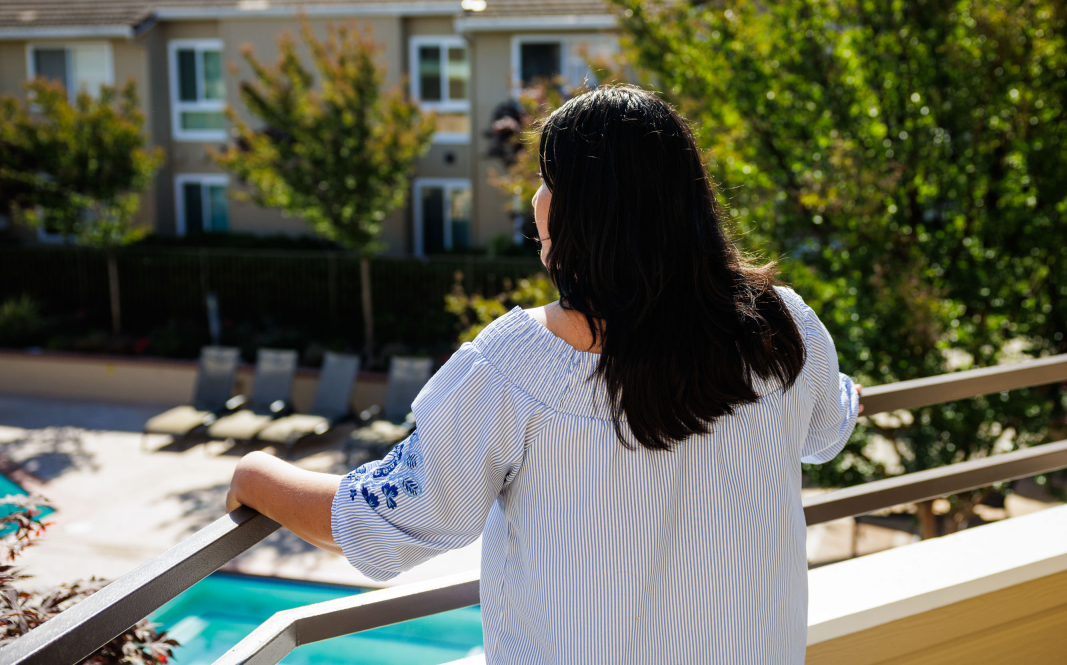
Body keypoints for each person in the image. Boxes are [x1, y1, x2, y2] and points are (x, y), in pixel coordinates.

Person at [225, 85, 859, 663]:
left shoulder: (520, 363)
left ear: (587, 211)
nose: (536, 197)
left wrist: (256, 476)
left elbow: (391, 522)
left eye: (548, 178)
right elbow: (826, 430)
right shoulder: (782, 328)